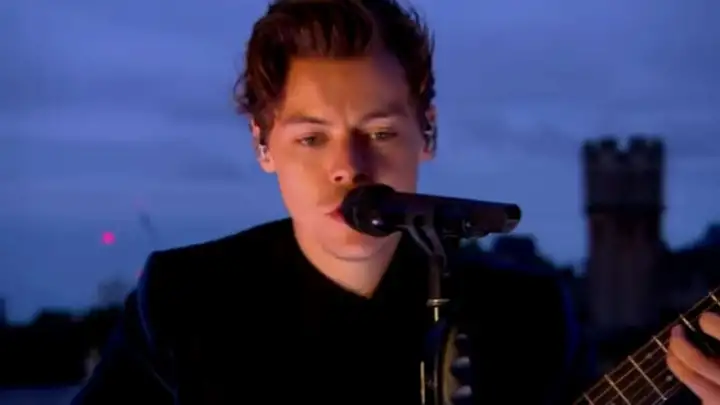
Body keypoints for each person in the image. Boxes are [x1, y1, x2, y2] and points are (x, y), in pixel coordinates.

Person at [70, 0, 720, 404]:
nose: (349, 167)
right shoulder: (185, 300)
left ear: (426, 133)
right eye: (311, 138)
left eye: (379, 133)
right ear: (263, 144)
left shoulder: (528, 315)